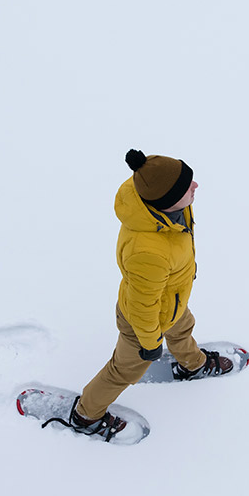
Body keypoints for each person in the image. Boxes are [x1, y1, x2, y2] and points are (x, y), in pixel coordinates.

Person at [67, 149, 234, 441]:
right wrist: (150, 343)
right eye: (187, 187)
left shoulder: (163, 205)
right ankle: (86, 415)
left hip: (171, 303)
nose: (195, 186)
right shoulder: (148, 251)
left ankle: (192, 365)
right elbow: (142, 305)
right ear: (168, 201)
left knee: (182, 328)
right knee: (124, 370)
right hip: (142, 323)